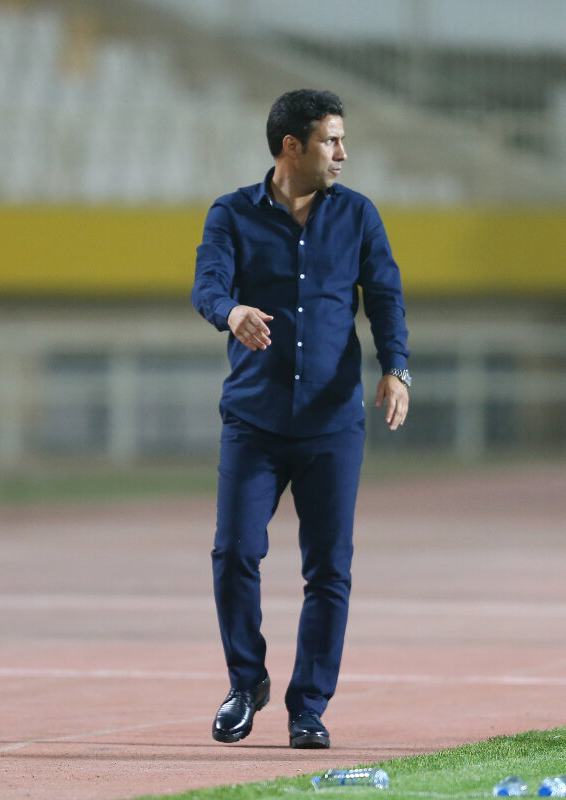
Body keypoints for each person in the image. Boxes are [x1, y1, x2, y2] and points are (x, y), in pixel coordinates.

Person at [191, 89, 411, 748]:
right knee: (235, 552)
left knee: (329, 571)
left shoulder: (359, 215)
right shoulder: (231, 213)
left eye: (342, 140)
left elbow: (386, 297)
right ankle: (245, 682)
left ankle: (309, 708)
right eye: (330, 141)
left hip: (332, 424)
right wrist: (231, 311)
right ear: (293, 146)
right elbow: (208, 286)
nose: (342, 153)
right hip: (253, 421)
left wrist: (397, 368)